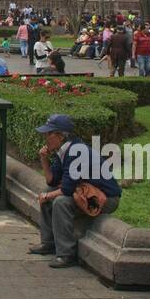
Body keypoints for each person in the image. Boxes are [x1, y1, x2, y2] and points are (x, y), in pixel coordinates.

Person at [29, 114, 122, 268]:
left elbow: (66, 190)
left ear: (60, 136)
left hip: (106, 199)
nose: (45, 137)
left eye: (48, 133)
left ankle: (66, 254)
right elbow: (52, 181)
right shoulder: (64, 151)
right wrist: (44, 159)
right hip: (84, 193)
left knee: (60, 202)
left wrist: (46, 196)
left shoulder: (75, 152)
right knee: (49, 191)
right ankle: (48, 243)